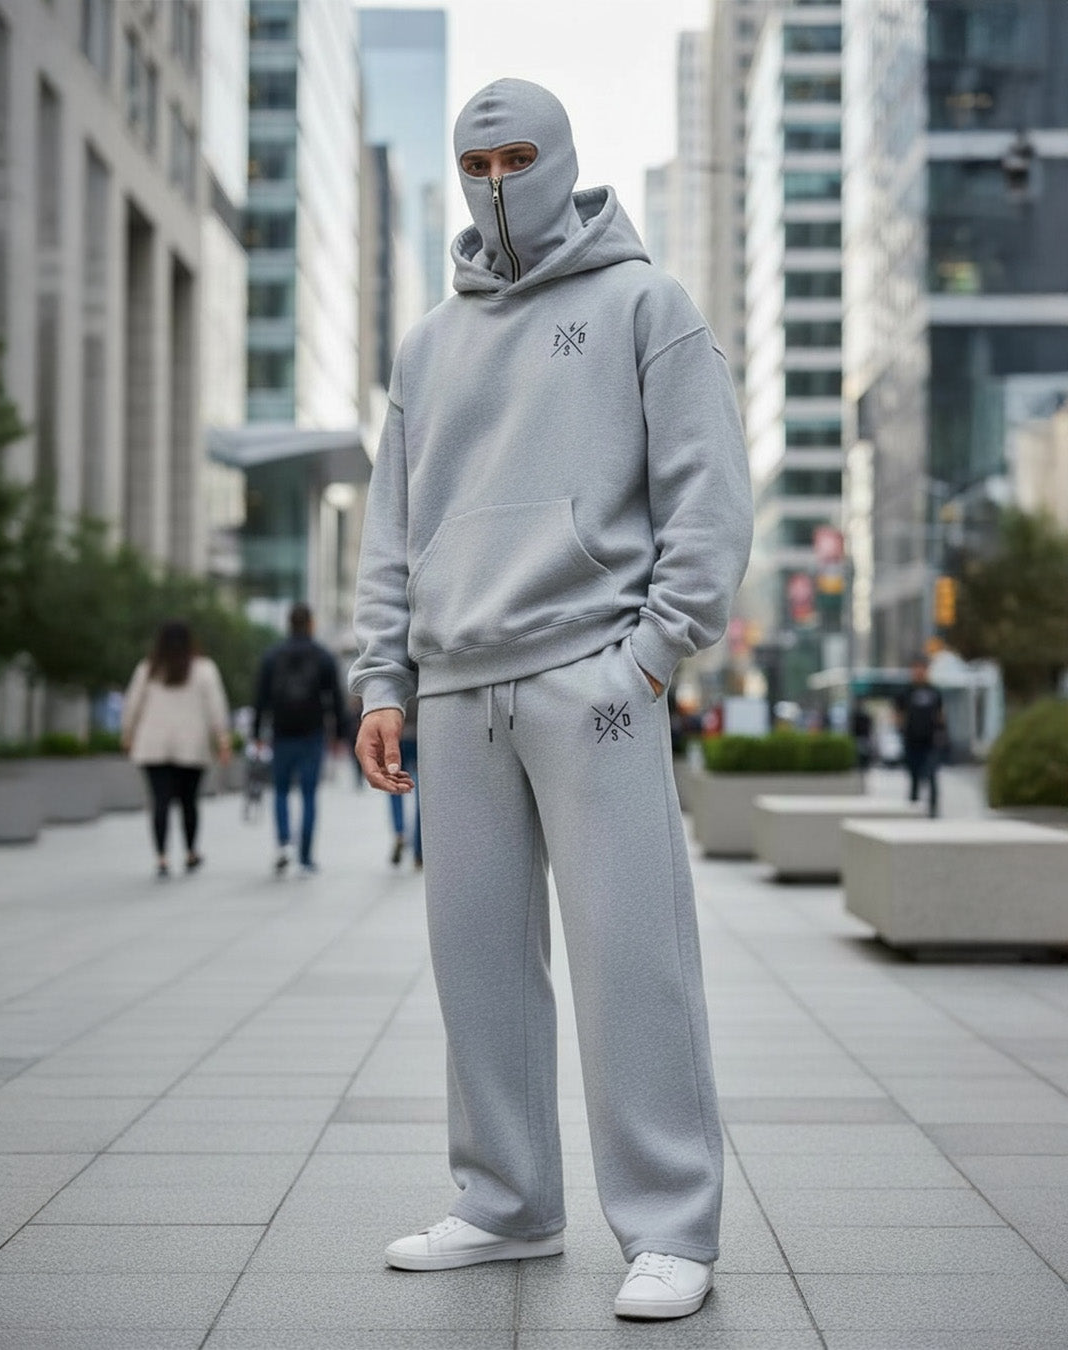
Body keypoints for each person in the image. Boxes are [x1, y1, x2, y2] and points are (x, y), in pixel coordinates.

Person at [350, 80, 753, 1321]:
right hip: (458, 690)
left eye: (519, 155)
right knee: (477, 963)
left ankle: (672, 1225)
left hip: (598, 680)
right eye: (477, 159)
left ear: (563, 157)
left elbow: (708, 496)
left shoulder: (645, 303)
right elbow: (393, 528)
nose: (496, 177)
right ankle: (507, 1203)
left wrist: (649, 656)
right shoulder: (427, 343)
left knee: (633, 956)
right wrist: (383, 678)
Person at [122, 620, 231, 879]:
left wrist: (128, 735)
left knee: (159, 801)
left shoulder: (148, 669)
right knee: (189, 801)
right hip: (191, 747)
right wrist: (223, 740)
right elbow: (217, 707)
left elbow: (132, 705)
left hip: (153, 745)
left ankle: (161, 857)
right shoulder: (204, 669)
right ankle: (190, 852)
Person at [253, 602, 349, 875]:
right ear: (310, 624)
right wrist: (340, 734)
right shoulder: (322, 656)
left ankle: (283, 844)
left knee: (281, 791)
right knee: (308, 794)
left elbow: (261, 698)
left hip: (281, 733)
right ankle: (305, 857)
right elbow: (336, 699)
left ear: (288, 624)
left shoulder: (273, 656)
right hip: (312, 733)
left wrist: (257, 733)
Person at [895, 657, 946, 816]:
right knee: (914, 778)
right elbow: (898, 715)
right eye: (916, 668)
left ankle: (933, 811)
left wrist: (941, 734)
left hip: (930, 742)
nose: (919, 672)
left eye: (922, 668)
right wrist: (901, 731)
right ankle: (913, 811)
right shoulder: (906, 692)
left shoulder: (934, 692)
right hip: (912, 741)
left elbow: (940, 715)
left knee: (931, 776)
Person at [388, 697, 422, 868]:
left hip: (396, 734)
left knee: (394, 785)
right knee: (420, 793)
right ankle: (419, 851)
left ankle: (399, 831)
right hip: (419, 735)